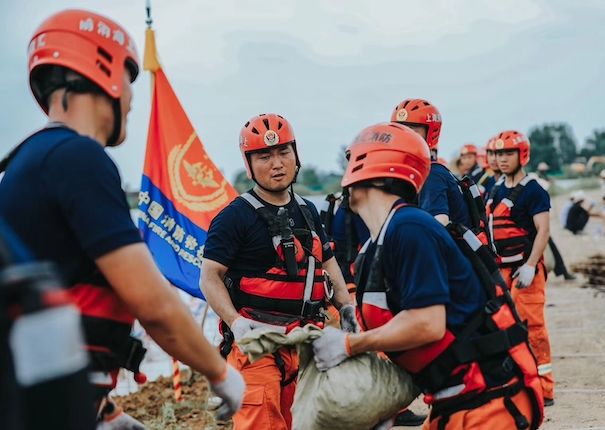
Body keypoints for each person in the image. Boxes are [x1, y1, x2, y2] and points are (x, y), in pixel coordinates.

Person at [0, 9, 245, 427]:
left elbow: (51, 298)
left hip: (41, 400)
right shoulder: (79, 158)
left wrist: (105, 412)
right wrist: (219, 373)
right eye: (130, 82)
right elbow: (152, 303)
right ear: (106, 72)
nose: (132, 100)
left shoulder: (25, 164)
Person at [312, 122, 543, 429]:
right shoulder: (382, 239)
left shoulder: (410, 229)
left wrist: (351, 345)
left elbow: (427, 324)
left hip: (487, 401)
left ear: (367, 168)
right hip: (454, 400)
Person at [199, 113, 355, 430]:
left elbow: (327, 263)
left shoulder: (308, 211)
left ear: (296, 155)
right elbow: (209, 277)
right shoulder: (234, 217)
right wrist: (236, 322)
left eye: (284, 152)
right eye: (264, 156)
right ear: (249, 164)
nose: (277, 163)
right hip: (256, 350)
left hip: (304, 345)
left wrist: (347, 307)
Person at [486, 130, 555, 406]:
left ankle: (545, 388)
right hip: (501, 270)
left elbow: (543, 230)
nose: (502, 159)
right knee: (504, 327)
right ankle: (518, 381)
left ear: (521, 155)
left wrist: (529, 265)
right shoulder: (495, 189)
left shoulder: (534, 191)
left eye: (508, 153)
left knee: (533, 328)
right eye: (498, 153)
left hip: (526, 271)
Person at [390, 99, 473, 228]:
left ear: (430, 133)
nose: (404, 137)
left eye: (412, 130)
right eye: (400, 130)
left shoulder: (431, 174)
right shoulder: (419, 173)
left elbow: (436, 228)